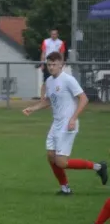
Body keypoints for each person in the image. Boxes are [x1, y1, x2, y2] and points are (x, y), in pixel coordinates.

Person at [23, 52, 107, 195]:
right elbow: (48, 101)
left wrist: (73, 118)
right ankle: (65, 188)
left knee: (61, 162)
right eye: (49, 64)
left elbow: (84, 99)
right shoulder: (49, 81)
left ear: (61, 64)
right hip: (56, 124)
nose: (51, 67)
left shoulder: (68, 80)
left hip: (67, 125)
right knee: (51, 157)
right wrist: (32, 108)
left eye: (54, 64)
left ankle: (98, 167)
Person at [39, 29, 67, 99]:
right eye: (52, 34)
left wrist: (61, 63)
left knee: (57, 80)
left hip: (56, 64)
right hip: (47, 63)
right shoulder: (46, 41)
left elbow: (61, 54)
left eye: (55, 34)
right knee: (46, 80)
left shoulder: (60, 42)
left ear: (57, 35)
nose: (53, 35)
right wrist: (42, 63)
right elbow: (43, 53)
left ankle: (55, 96)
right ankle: (42, 98)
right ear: (50, 34)